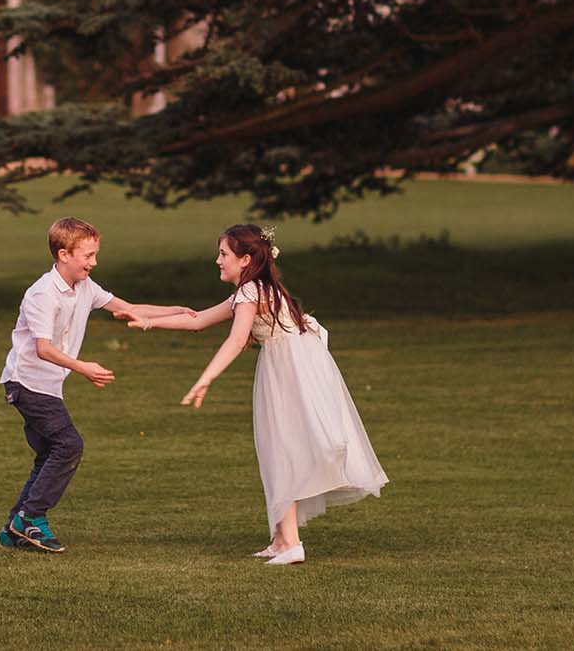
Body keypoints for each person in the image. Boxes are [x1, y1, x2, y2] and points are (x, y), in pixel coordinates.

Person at [131, 223, 388, 565]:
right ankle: (282, 540)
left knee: (284, 446)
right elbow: (197, 320)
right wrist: (145, 318)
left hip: (290, 370)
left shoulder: (252, 291)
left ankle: (292, 543)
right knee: (277, 445)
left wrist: (205, 378)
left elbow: (237, 340)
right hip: (288, 365)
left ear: (245, 259)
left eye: (224, 254)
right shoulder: (253, 289)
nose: (218, 261)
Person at [0, 216, 193, 554]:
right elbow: (43, 348)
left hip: (45, 386)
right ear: (63, 255)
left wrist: (178, 310)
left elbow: (128, 309)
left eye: (94, 254)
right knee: (69, 445)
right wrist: (84, 368)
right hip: (27, 383)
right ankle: (31, 518)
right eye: (87, 255)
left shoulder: (86, 287)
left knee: (49, 454)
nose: (94, 262)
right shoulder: (42, 294)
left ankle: (15, 527)